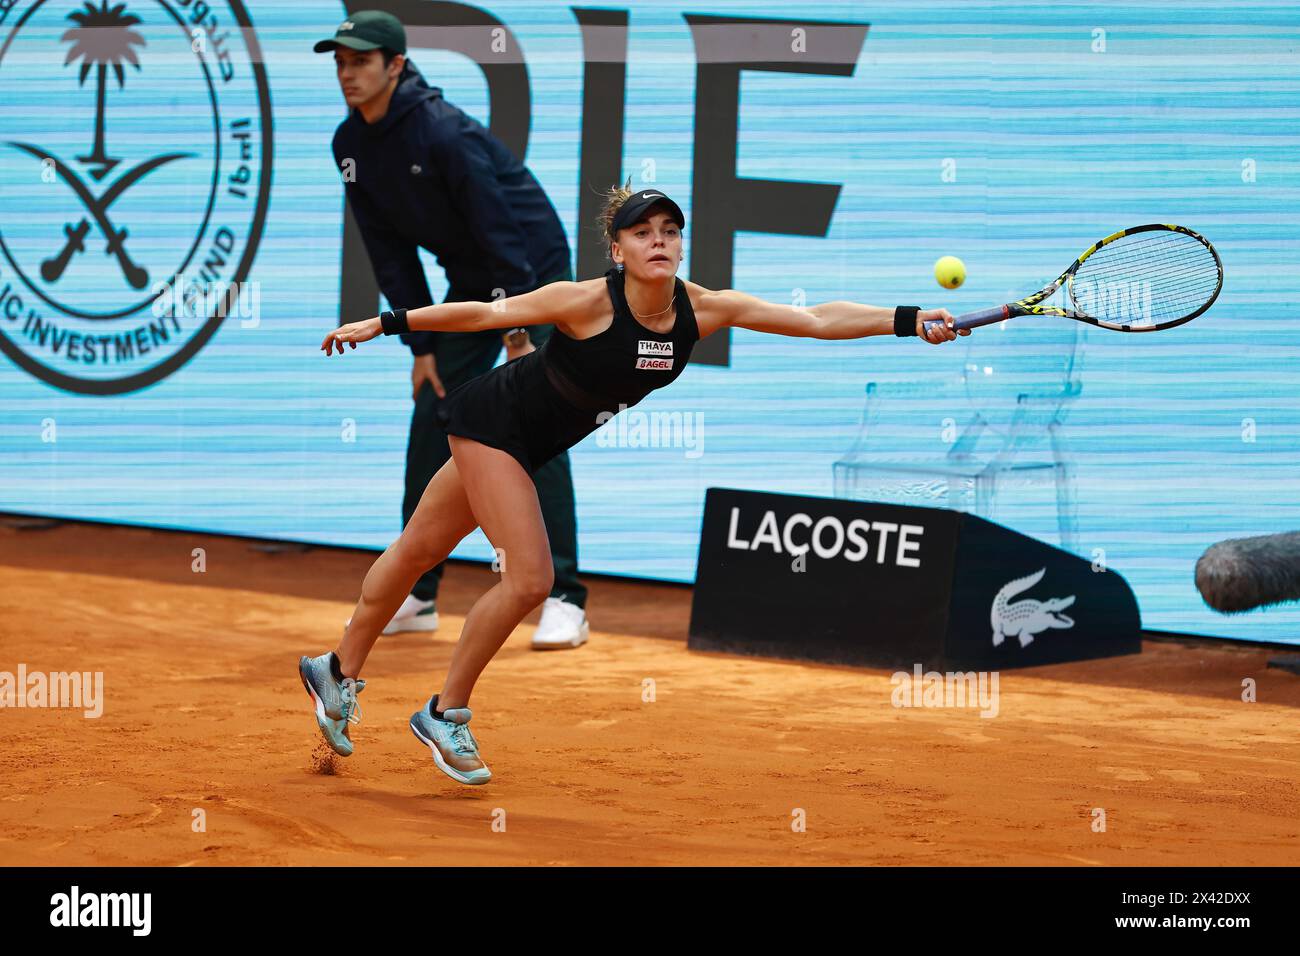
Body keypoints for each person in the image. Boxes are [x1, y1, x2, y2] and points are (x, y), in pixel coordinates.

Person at [300, 185, 967, 785]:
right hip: (490, 421)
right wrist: (386, 323)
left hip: (530, 443)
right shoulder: (585, 300)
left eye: (670, 231)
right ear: (617, 249)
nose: (659, 242)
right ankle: (444, 713)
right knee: (530, 579)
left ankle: (335, 670)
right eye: (644, 232)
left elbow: (818, 319)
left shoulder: (700, 309)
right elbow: (482, 314)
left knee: (419, 548)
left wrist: (908, 320)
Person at [315, 10, 589, 650]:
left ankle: (566, 598)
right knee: (434, 413)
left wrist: (519, 332)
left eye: (361, 61)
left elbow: (502, 232)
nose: (348, 74)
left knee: (536, 426)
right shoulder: (348, 145)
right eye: (341, 63)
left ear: (397, 66)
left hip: (532, 272)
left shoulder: (443, 134)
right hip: (471, 278)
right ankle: (420, 591)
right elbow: (388, 251)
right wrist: (423, 345)